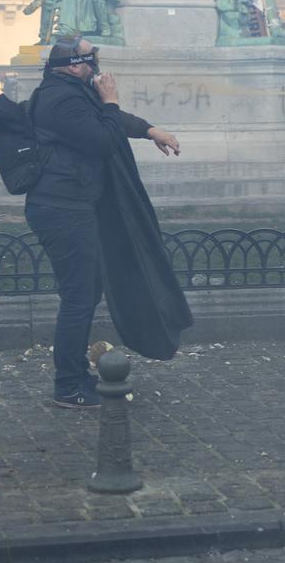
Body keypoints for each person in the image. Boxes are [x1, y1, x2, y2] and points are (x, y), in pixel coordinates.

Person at [26, 36, 187, 408]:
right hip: (62, 210)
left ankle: (77, 376)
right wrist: (111, 100)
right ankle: (68, 386)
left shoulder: (71, 93)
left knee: (85, 293)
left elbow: (108, 120)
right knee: (78, 298)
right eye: (91, 59)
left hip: (73, 205)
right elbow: (102, 138)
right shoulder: (60, 100)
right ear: (75, 66)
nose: (96, 66)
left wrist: (150, 130)